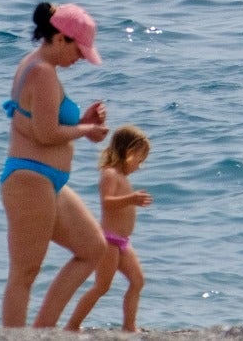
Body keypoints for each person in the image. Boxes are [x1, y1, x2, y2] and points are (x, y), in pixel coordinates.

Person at [1, 2, 111, 328]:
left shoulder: (38, 66)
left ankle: (43, 331)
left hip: (46, 180)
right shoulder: (42, 72)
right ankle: (15, 338)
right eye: (79, 50)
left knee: (93, 247)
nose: (80, 59)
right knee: (24, 273)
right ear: (61, 38)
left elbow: (44, 121)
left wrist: (83, 122)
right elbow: (46, 133)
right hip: (29, 178)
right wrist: (87, 130)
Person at [65, 125, 153, 331]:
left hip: (123, 242)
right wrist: (132, 198)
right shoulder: (110, 174)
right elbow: (107, 202)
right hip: (109, 241)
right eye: (139, 160)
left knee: (138, 281)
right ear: (128, 153)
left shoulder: (122, 177)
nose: (139, 166)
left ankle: (129, 326)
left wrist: (133, 200)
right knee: (102, 286)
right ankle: (72, 325)